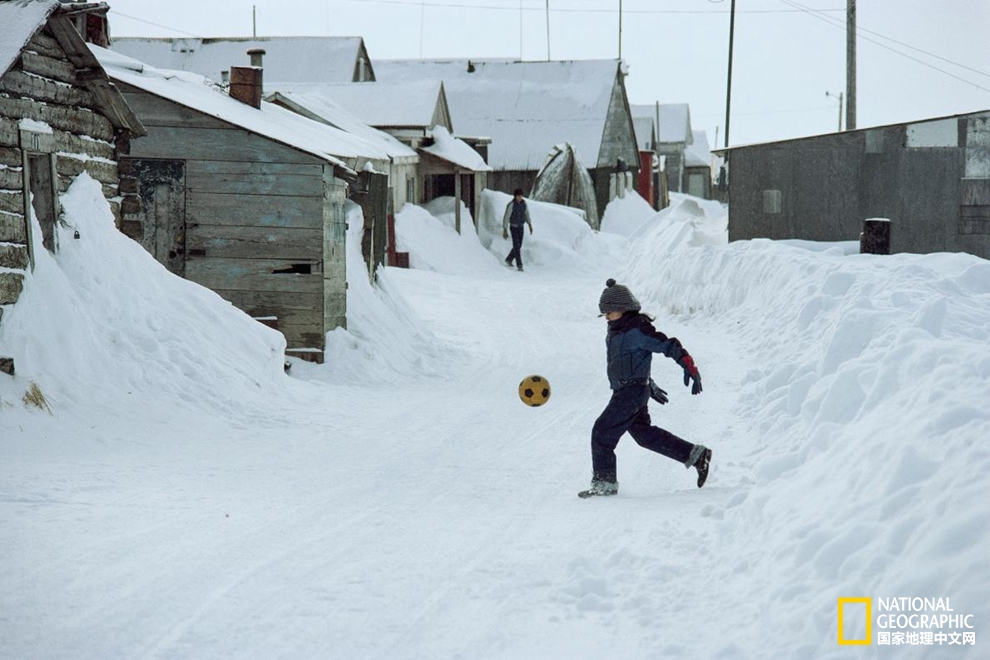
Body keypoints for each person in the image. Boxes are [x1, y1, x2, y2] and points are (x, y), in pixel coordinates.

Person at [580, 279, 712, 498]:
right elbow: (632, 361)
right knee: (644, 435)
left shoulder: (637, 330)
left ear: (624, 309)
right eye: (604, 314)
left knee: (602, 432)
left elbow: (668, 345)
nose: (607, 317)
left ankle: (605, 485)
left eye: (610, 312)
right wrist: (647, 382)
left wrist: (688, 365)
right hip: (631, 390)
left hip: (629, 393)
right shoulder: (616, 330)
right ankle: (696, 455)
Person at [502, 188, 533, 271]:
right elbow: (507, 216)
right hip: (514, 227)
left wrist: (529, 224)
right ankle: (519, 265)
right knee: (516, 245)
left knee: (519, 245)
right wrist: (505, 229)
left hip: (521, 227)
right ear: (515, 196)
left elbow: (526, 214)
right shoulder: (511, 204)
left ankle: (509, 259)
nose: (520, 197)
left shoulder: (524, 204)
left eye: (521, 196)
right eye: (518, 196)